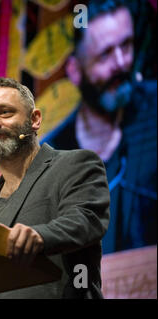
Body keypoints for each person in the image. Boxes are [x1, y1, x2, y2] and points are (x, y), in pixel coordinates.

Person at [0, 76, 110, 298]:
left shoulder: (75, 165)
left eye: (4, 112)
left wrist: (40, 236)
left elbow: (86, 219)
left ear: (35, 119)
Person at [42, 0, 157, 253]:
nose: (121, 63)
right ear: (75, 71)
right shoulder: (53, 158)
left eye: (126, 45)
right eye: (105, 54)